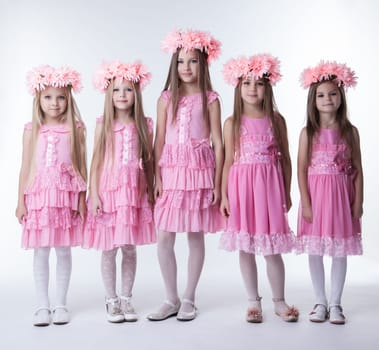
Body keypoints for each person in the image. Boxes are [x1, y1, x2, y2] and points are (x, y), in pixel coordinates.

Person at [147, 29, 224, 322]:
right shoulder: (166, 98)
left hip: (199, 172)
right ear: (174, 65)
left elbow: (218, 141)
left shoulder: (211, 99)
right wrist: (156, 177)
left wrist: (217, 183)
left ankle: (190, 297)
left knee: (195, 234)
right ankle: (171, 298)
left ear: (203, 64)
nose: (186, 68)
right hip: (171, 172)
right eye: (181, 62)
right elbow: (157, 142)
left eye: (192, 62)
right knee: (164, 235)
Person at [219, 54, 298, 323]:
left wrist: (286, 192)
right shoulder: (232, 123)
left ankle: (279, 300)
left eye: (259, 83)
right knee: (246, 247)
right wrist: (225, 196)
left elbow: (285, 159)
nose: (253, 89)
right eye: (247, 83)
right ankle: (253, 301)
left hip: (269, 190)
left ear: (268, 88)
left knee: (271, 248)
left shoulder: (277, 120)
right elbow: (228, 161)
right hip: (242, 191)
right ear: (238, 88)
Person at [83, 61, 155, 323]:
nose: (122, 95)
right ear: (108, 94)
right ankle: (111, 299)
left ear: (136, 94)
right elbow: (96, 161)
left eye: (128, 90)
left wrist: (150, 189)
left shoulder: (145, 125)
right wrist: (94, 194)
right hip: (108, 189)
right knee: (110, 248)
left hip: (133, 192)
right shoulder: (104, 124)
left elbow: (147, 161)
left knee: (129, 247)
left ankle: (126, 298)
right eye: (117, 90)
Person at [15, 65, 87, 326]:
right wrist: (20, 200)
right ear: (38, 99)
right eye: (48, 97)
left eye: (60, 97)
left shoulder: (76, 128)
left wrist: (81, 198)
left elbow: (82, 167)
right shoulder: (31, 130)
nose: (54, 103)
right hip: (39, 197)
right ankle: (42, 306)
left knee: (64, 249)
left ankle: (60, 304)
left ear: (68, 99)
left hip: (65, 196)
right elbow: (25, 166)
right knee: (41, 250)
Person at [297, 61, 363, 325]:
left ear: (341, 96)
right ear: (313, 100)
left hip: (341, 198)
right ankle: (319, 301)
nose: (327, 99)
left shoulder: (350, 132)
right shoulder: (307, 133)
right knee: (315, 249)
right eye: (321, 95)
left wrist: (358, 202)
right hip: (315, 198)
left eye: (333, 93)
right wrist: (306, 202)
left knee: (338, 250)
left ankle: (336, 303)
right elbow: (302, 169)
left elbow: (358, 168)